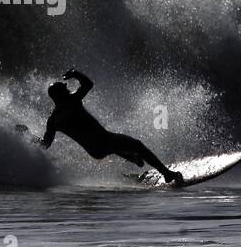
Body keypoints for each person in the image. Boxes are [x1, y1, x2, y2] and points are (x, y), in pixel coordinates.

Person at [40, 69, 183, 184]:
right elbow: (88, 84)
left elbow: (45, 144)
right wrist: (75, 74)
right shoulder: (72, 100)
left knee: (113, 146)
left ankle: (132, 158)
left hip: (95, 150)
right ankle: (167, 174)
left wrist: (27, 135)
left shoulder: (53, 120)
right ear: (60, 95)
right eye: (65, 89)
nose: (68, 89)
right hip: (104, 140)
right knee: (137, 145)